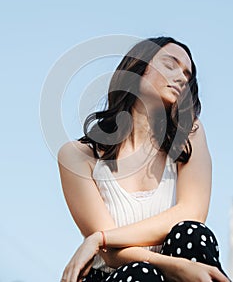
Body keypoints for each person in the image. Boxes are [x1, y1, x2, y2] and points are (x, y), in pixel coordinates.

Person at [58, 37, 230, 282]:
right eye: (170, 65)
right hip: (114, 275)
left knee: (191, 233)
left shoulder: (189, 133)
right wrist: (175, 267)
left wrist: (100, 237)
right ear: (137, 70)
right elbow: (109, 255)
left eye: (187, 75)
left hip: (178, 271)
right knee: (142, 272)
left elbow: (191, 213)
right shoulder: (77, 156)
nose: (182, 78)